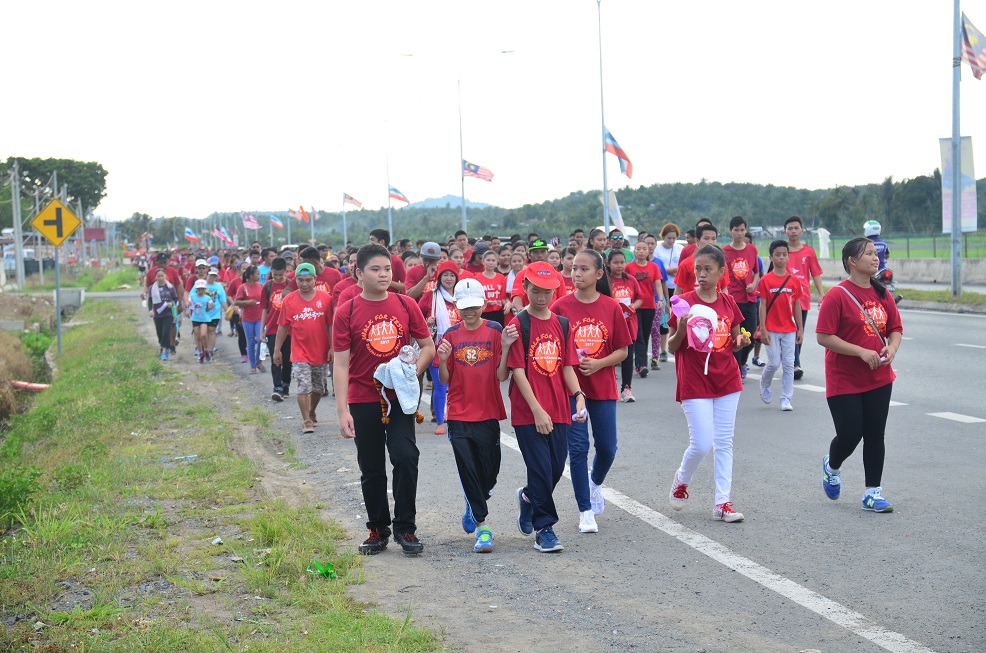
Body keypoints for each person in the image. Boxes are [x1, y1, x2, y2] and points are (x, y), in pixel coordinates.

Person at [333, 244, 435, 556]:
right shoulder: (347, 311)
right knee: (372, 466)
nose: (383, 275)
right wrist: (342, 411)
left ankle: (406, 527)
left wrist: (411, 373)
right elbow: (340, 364)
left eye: (387, 269)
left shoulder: (406, 304)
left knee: (406, 457)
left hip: (400, 400)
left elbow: (428, 346)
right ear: (359, 273)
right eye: (375, 269)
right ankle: (377, 529)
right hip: (363, 399)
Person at [816, 238, 902, 513]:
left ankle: (872, 493)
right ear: (852, 261)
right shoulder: (837, 295)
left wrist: (892, 348)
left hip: (879, 377)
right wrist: (861, 352)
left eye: (876, 253)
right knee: (851, 434)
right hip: (844, 378)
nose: (876, 258)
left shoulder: (882, 293)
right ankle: (832, 466)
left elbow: (895, 328)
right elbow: (823, 336)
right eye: (869, 254)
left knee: (875, 434)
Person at [508, 261, 587, 553]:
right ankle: (545, 528)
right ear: (525, 288)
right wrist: (537, 410)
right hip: (528, 410)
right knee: (540, 468)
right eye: (536, 291)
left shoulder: (562, 324)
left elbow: (566, 366)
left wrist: (578, 395)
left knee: (554, 467)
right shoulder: (518, 324)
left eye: (548, 292)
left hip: (559, 407)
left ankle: (529, 497)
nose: (542, 297)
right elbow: (517, 371)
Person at [667, 244, 750, 523]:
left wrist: (741, 341)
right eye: (697, 269)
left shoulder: (728, 303)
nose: (701, 274)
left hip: (727, 379)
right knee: (702, 444)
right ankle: (682, 479)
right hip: (694, 381)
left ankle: (722, 503)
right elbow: (671, 347)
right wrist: (681, 329)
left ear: (721, 272)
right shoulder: (684, 303)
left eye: (708, 269)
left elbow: (733, 342)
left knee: (724, 442)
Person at [436, 278, 518, 553]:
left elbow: (502, 375)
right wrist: (444, 359)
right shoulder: (450, 335)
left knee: (490, 471)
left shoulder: (495, 330)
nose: (469, 312)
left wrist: (506, 347)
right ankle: (483, 528)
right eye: (464, 307)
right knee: (468, 469)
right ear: (456, 306)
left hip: (488, 412)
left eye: (474, 306)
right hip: (459, 414)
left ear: (483, 304)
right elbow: (444, 379)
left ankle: (474, 502)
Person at [552, 250, 631, 534]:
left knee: (608, 448)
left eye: (584, 269)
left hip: (603, 388)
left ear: (599, 274)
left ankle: (594, 483)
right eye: (574, 268)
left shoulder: (612, 307)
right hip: (571, 391)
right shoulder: (560, 306)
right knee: (578, 449)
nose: (577, 273)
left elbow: (623, 350)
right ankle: (585, 511)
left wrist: (598, 363)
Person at [273, 263, 332, 433]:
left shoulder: (326, 299)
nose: (304, 284)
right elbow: (282, 327)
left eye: (308, 280)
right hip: (299, 352)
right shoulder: (289, 300)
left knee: (318, 388)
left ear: (315, 279)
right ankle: (306, 420)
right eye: (300, 280)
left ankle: (311, 411)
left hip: (320, 351)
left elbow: (330, 326)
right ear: (295, 280)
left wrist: (332, 347)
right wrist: (277, 350)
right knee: (303, 386)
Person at [756, 240, 804, 411]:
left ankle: (786, 399)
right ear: (771, 257)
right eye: (778, 255)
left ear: (788, 257)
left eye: (784, 254)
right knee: (774, 362)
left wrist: (800, 328)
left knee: (789, 364)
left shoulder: (794, 281)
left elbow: (797, 305)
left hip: (789, 329)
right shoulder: (765, 280)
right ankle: (765, 383)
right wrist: (762, 328)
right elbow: (762, 305)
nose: (781, 258)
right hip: (770, 329)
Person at [419, 261, 462, 435]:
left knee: (458, 385)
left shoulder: (461, 297)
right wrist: (426, 322)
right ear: (439, 278)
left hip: (459, 346)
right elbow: (416, 318)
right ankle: (440, 422)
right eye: (445, 275)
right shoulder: (430, 296)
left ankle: (457, 416)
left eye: (452, 275)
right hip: (436, 347)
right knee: (440, 385)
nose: (449, 278)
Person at [784, 215, 826, 380]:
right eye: (790, 228)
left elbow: (815, 274)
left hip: (802, 299)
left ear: (802, 230)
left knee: (798, 331)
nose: (793, 231)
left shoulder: (808, 252)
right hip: (784, 299)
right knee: (791, 330)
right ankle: (794, 364)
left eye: (796, 228)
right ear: (785, 232)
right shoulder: (781, 251)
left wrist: (821, 294)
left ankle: (793, 362)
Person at [723, 216, 760, 380]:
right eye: (736, 230)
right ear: (730, 231)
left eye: (742, 230)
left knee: (751, 336)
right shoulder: (725, 251)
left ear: (746, 231)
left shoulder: (752, 249)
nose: (739, 233)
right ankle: (737, 369)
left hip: (749, 298)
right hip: (733, 299)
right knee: (736, 336)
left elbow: (756, 272)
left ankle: (743, 362)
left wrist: (753, 284)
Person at [625, 240, 665, 379]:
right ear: (634, 251)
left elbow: (658, 284)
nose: (641, 251)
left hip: (649, 305)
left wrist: (660, 300)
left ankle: (641, 363)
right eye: (638, 249)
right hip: (634, 305)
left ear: (648, 251)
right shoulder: (629, 267)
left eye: (644, 249)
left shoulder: (654, 267)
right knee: (639, 335)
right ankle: (640, 365)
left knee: (646, 334)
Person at [606, 249, 642, 403]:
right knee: (609, 356)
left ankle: (626, 388)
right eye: (616, 262)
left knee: (627, 356)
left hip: (628, 323)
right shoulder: (605, 280)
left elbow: (640, 298)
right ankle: (608, 388)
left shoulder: (631, 280)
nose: (619, 265)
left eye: (622, 262)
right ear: (608, 263)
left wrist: (632, 307)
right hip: (610, 323)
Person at [651, 224, 682, 366]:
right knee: (663, 320)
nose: (671, 241)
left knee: (676, 318)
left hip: (676, 287)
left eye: (674, 238)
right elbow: (659, 269)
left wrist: (672, 270)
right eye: (669, 238)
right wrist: (669, 270)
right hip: (662, 288)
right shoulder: (657, 249)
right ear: (663, 236)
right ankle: (661, 350)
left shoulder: (680, 249)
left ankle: (671, 346)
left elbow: (682, 268)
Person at [261, 258, 291, 401]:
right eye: (275, 275)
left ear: (286, 271)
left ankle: (286, 384)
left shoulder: (291, 285)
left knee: (288, 359)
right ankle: (277, 387)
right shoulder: (267, 286)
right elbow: (264, 310)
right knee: (275, 358)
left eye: (280, 274)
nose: (278, 277)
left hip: (289, 330)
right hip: (272, 328)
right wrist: (262, 330)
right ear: (271, 272)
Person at [148, 268, 179, 361]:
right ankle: (163, 346)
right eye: (158, 276)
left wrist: (171, 303)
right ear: (156, 277)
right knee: (160, 333)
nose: (160, 278)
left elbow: (175, 299)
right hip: (157, 314)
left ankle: (164, 351)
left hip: (168, 313)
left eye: (162, 276)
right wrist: (150, 310)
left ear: (165, 276)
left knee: (166, 331)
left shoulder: (170, 287)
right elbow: (150, 300)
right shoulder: (152, 288)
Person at [477, 249, 509, 325]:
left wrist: (508, 303)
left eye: (493, 260)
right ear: (483, 261)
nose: (491, 262)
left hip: (498, 313)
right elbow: (475, 297)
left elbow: (504, 296)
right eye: (488, 260)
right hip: (483, 313)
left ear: (497, 262)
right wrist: (485, 303)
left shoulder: (501, 277)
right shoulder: (477, 278)